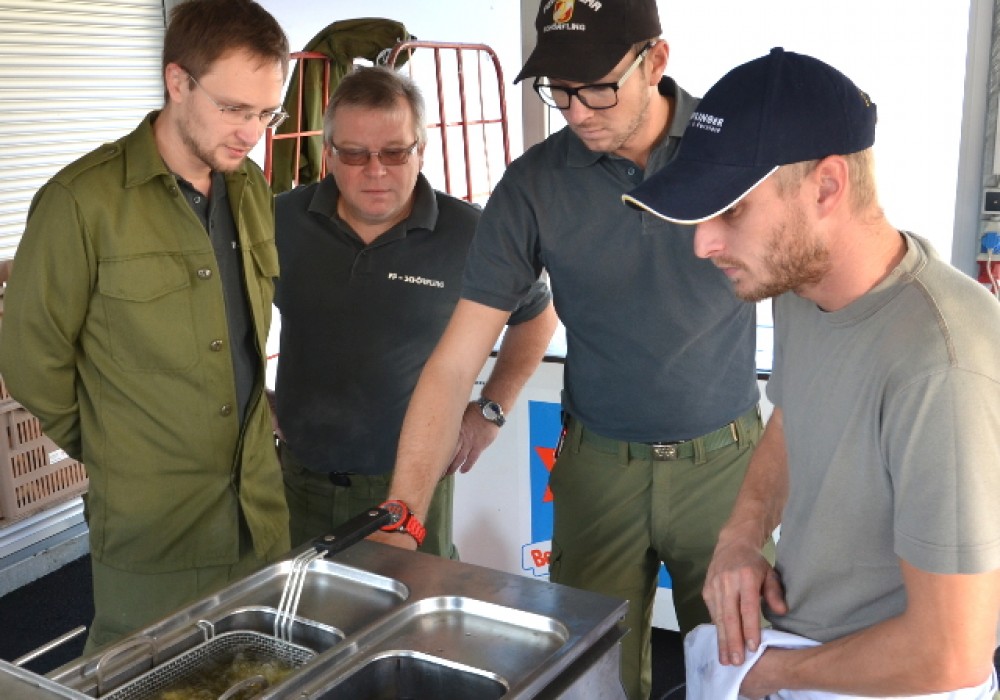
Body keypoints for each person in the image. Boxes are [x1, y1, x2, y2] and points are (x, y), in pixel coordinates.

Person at [373, 1, 767, 697]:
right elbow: (456, 358)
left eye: (597, 87)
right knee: (591, 676)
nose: (576, 111)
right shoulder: (532, 186)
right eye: (557, 90)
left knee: (740, 669)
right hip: (597, 472)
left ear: (657, 61)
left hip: (725, 468)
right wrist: (404, 512)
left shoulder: (735, 148)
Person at [626, 48, 1000, 699]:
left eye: (732, 209)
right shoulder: (802, 286)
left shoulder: (941, 366)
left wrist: (769, 676)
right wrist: (743, 532)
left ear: (827, 187)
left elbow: (952, 653)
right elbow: (794, 417)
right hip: (804, 642)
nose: (702, 242)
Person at [0, 0, 292, 651]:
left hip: (258, 514)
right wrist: (116, 446)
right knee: (147, 679)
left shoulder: (248, 189)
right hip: (155, 530)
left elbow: (243, 336)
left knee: (262, 673)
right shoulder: (83, 203)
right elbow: (30, 360)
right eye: (234, 109)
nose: (252, 133)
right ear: (178, 81)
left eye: (267, 113)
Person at [270, 66, 556, 556]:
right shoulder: (278, 222)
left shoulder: (470, 234)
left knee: (413, 626)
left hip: (413, 489)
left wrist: (490, 410)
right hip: (295, 483)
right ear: (329, 155)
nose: (375, 171)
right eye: (355, 154)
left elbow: (537, 314)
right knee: (299, 626)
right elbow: (220, 316)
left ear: (421, 149)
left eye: (395, 152)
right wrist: (258, 402)